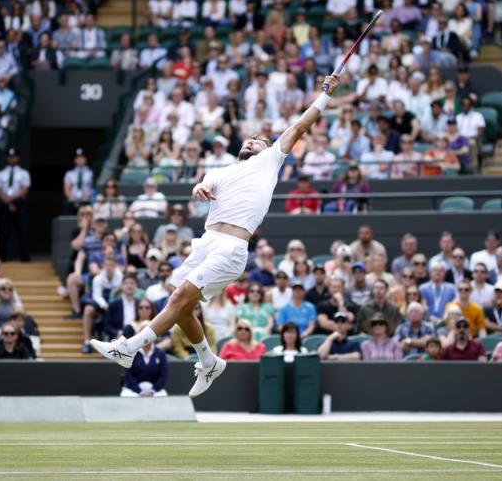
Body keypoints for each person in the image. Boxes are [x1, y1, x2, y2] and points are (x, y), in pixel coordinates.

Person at [91, 75, 344, 398]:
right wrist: (200, 188)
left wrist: (324, 95)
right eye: (249, 139)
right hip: (205, 242)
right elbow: (205, 186)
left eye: (259, 140)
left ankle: (130, 347)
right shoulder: (219, 171)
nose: (252, 142)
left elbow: (298, 128)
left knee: (177, 299)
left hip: (232, 246)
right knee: (182, 309)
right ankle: (210, 361)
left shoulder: (270, 162)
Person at [0, 147, 31, 262]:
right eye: (9, 157)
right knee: (4, 231)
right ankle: (3, 257)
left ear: (18, 158)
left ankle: (24, 258)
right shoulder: (1, 174)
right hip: (4, 204)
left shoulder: (23, 173)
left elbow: (25, 188)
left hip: (19, 203)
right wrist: (7, 201)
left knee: (22, 231)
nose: (12, 159)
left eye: (14, 157)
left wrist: (12, 200)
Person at [121, 322, 170, 396]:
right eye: (143, 334)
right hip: (133, 390)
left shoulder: (160, 353)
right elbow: (128, 375)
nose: (146, 337)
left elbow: (164, 375)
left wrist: (153, 390)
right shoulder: (131, 352)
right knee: (126, 395)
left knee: (163, 395)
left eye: (149, 334)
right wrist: (139, 391)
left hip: (155, 391)